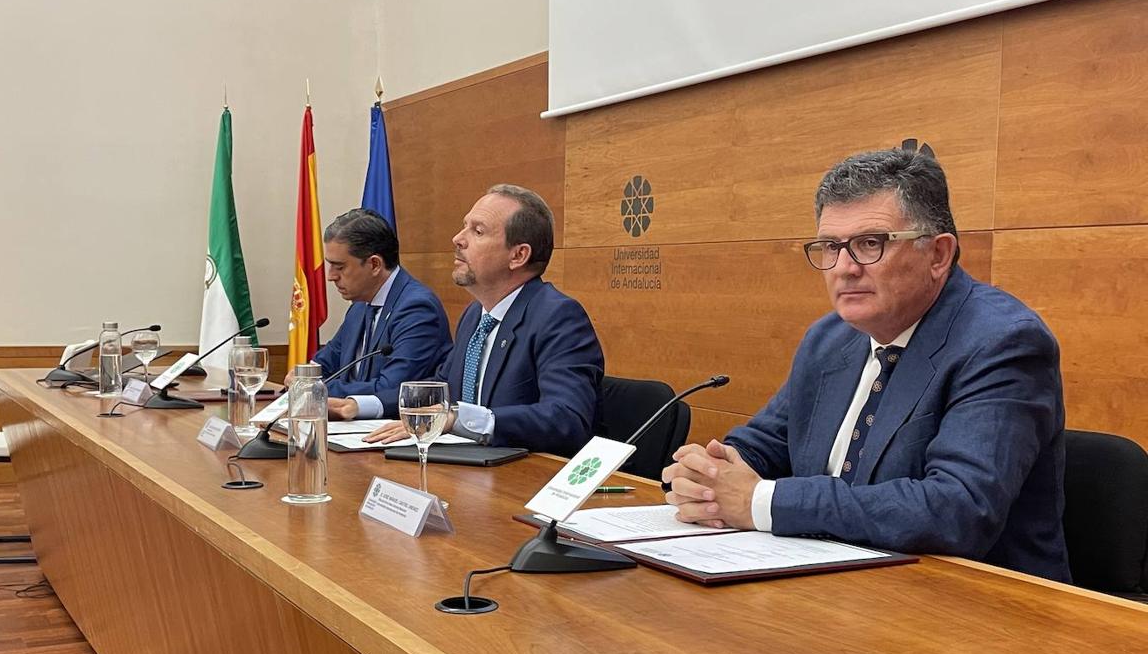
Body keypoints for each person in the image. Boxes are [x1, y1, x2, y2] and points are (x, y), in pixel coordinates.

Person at [664, 149, 1070, 582]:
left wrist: (761, 501)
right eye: (829, 247)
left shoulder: (1002, 342)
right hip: (831, 585)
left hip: (979, 609)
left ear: (938, 255)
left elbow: (959, 508)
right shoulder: (829, 338)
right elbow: (766, 444)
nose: (844, 268)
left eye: (869, 244)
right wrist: (709, 475)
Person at [363, 184, 604, 456]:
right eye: (464, 226)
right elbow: (438, 390)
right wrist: (357, 406)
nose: (457, 238)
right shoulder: (475, 314)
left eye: (477, 231)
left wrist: (459, 419)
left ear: (518, 255)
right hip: (464, 473)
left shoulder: (557, 317)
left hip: (520, 482)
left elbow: (567, 419)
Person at [294, 208, 451, 409]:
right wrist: (303, 376)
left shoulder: (417, 309)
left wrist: (313, 388)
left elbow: (392, 388)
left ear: (375, 264)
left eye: (340, 267)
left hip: (393, 431)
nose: (330, 276)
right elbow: (325, 363)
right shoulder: (360, 306)